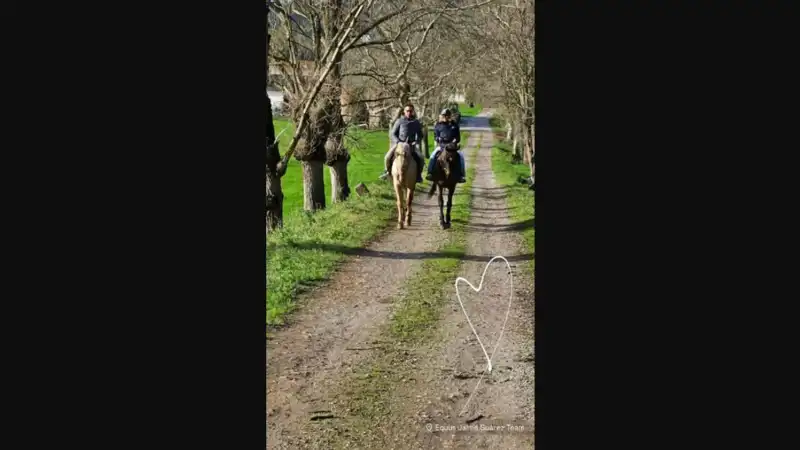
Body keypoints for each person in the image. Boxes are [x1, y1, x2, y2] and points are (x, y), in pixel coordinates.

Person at [380, 103, 424, 182]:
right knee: (387, 157)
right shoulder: (399, 121)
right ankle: (387, 171)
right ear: (404, 111)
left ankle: (418, 175)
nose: (409, 113)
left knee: (421, 158)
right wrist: (397, 142)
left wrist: (416, 141)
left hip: (411, 145)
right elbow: (392, 133)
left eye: (411, 111)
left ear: (413, 111)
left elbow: (420, 135)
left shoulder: (416, 122)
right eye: (407, 111)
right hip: (399, 144)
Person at [427, 109, 465, 183]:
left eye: (447, 116)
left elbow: (458, 137)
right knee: (433, 155)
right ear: (441, 116)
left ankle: (461, 175)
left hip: (452, 147)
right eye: (444, 116)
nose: (445, 117)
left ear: (450, 116)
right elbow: (435, 136)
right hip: (442, 146)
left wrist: (455, 140)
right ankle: (430, 173)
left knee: (461, 156)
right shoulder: (438, 125)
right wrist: (438, 138)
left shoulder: (454, 125)